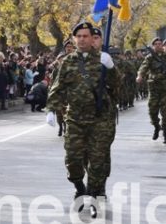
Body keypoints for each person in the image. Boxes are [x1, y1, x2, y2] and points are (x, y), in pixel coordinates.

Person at [46, 22, 119, 218]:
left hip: (99, 120)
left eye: (86, 36)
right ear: (74, 39)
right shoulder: (68, 62)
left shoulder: (103, 60)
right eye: (79, 36)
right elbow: (58, 87)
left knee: (97, 162)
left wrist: (111, 68)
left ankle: (96, 196)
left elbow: (118, 87)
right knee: (73, 160)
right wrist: (51, 109)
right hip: (76, 119)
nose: (82, 39)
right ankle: (80, 186)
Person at [137, 37, 166, 144]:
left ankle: (165, 133)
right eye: (156, 44)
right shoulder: (150, 57)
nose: (158, 45)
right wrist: (140, 76)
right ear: (153, 46)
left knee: (165, 113)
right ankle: (157, 126)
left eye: (160, 43)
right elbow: (143, 67)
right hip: (154, 89)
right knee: (152, 111)